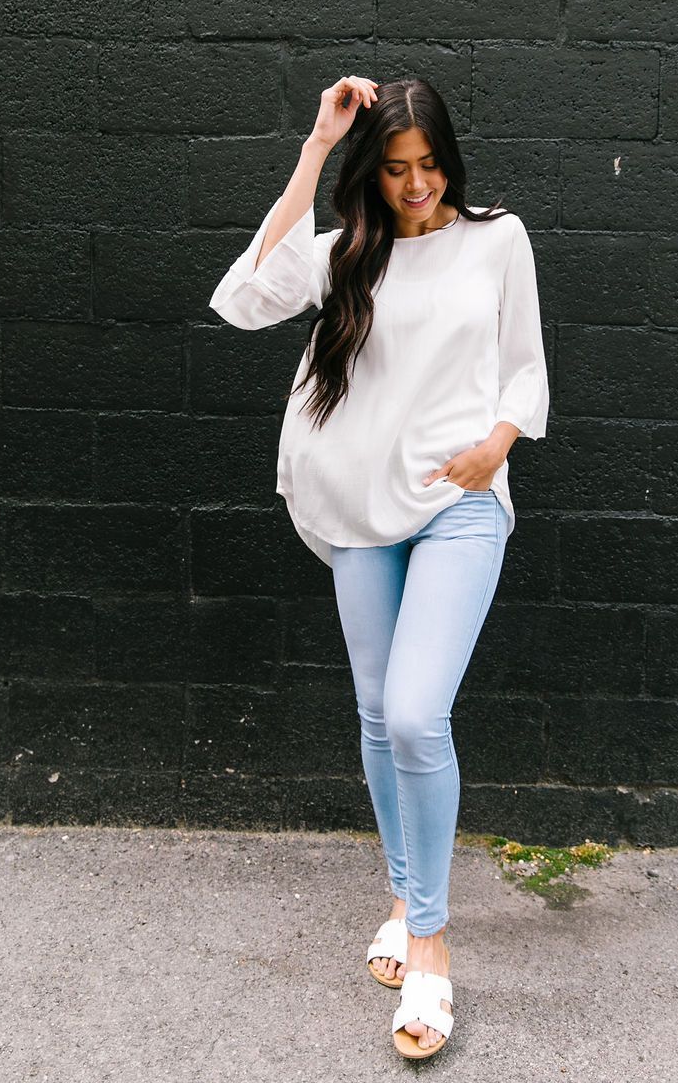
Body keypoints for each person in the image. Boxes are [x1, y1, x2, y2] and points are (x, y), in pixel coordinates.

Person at [208, 74, 550, 1058]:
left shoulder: (498, 240)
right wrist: (315, 150)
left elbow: (524, 366)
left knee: (413, 713)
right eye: (396, 169)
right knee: (372, 712)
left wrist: (498, 444)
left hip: (458, 505)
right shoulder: (347, 252)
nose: (414, 186)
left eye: (429, 166)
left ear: (451, 159)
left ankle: (432, 949)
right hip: (361, 511)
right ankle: (403, 897)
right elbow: (240, 296)